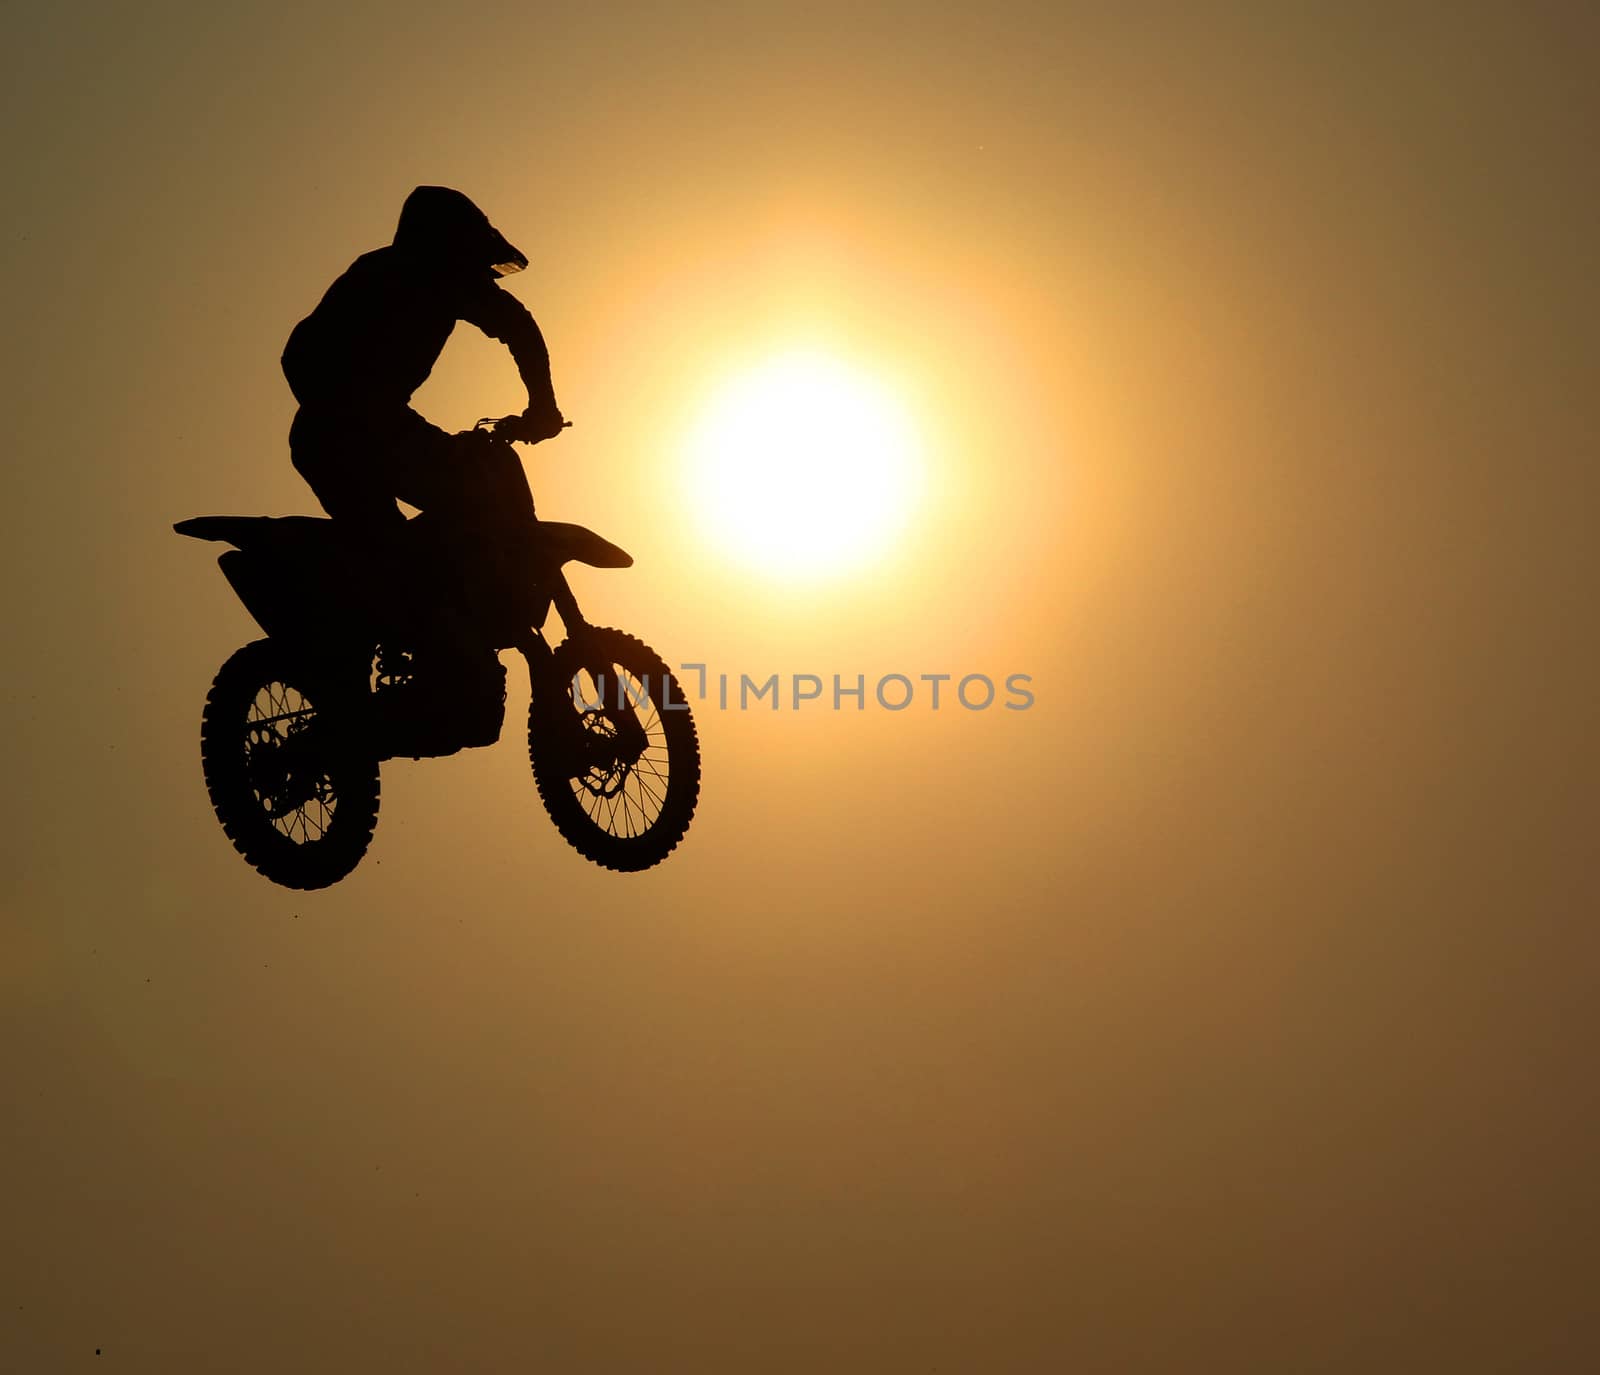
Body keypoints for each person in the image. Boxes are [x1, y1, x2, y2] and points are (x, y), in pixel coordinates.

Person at [281, 186, 563, 745]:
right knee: (472, 491)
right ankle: (442, 657)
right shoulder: (434, 276)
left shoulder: (378, 270)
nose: (480, 269)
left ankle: (404, 676)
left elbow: (296, 353)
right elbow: (519, 327)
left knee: (396, 547)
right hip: (369, 430)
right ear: (449, 244)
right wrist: (543, 407)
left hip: (327, 436)